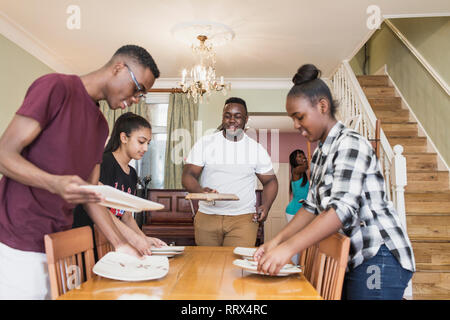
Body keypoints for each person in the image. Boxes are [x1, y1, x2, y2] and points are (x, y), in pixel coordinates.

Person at [0, 44, 160, 299]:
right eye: (137, 89)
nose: (135, 99)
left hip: (61, 242)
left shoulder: (100, 125)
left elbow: (91, 194)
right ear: (119, 68)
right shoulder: (57, 87)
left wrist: (120, 244)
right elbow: (4, 153)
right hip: (19, 238)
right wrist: (53, 183)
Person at [254, 64, 415, 300]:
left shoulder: (350, 143)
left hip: (379, 256)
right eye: (293, 119)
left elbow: (341, 209)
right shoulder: (320, 154)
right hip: (356, 257)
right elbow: (310, 207)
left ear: (322, 106)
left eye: (299, 117)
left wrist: (289, 249)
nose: (296, 125)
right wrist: (277, 241)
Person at [182, 97, 278, 247]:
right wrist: (201, 191)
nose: (232, 120)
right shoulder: (205, 143)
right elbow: (188, 175)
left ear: (246, 119)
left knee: (236, 268)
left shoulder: (256, 149)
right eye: (227, 115)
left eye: (237, 116)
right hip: (207, 216)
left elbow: (270, 181)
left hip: (243, 219)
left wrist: (266, 205)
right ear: (222, 117)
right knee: (207, 266)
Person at [73, 112, 166, 257]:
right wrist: (133, 238)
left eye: (148, 143)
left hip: (109, 240)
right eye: (141, 142)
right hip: (88, 240)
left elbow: (126, 216)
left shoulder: (132, 174)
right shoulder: (104, 164)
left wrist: (144, 238)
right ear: (124, 138)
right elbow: (101, 210)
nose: (146, 148)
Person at [285, 149, 309, 264]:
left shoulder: (302, 174)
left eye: (303, 155)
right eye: (299, 156)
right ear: (294, 160)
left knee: (300, 240)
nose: (302, 158)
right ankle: (293, 266)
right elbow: (306, 166)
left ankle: (297, 266)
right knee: (295, 240)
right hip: (293, 210)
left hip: (300, 211)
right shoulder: (296, 170)